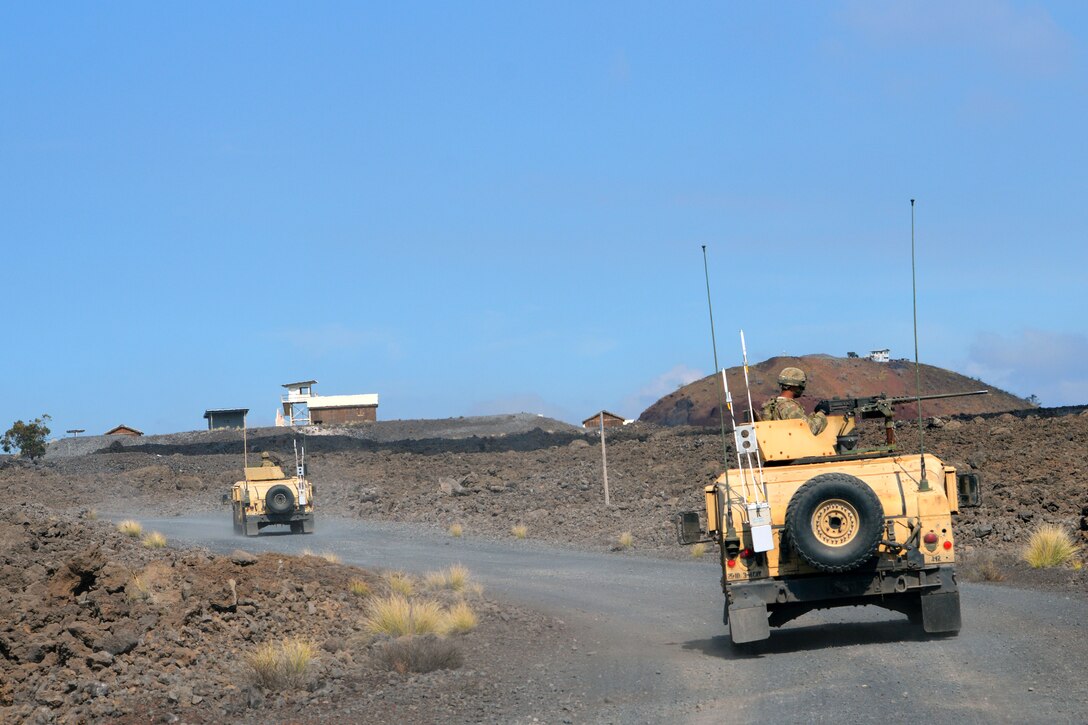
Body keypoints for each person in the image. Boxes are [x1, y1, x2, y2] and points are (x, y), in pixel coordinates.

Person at [761, 366, 827, 435]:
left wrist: (814, 414)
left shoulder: (774, 403)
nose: (803, 389)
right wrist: (822, 413)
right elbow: (809, 430)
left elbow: (801, 422)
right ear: (795, 386)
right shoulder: (789, 407)